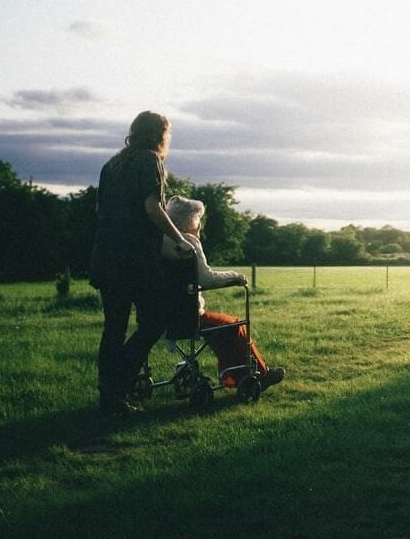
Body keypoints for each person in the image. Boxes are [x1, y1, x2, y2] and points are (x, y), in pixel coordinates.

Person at [89, 111, 195, 416]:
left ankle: (109, 396)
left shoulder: (112, 165)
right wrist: (179, 239)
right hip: (134, 260)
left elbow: (100, 209)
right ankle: (118, 384)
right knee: (155, 321)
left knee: (114, 328)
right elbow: (153, 208)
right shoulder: (150, 161)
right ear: (160, 135)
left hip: (106, 256)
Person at [162, 195, 285, 391]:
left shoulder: (161, 242)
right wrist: (236, 276)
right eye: (198, 220)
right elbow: (207, 279)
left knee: (221, 328)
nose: (200, 225)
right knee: (235, 325)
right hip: (188, 316)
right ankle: (260, 374)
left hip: (163, 316)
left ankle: (235, 375)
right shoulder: (189, 242)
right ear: (189, 221)